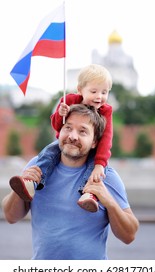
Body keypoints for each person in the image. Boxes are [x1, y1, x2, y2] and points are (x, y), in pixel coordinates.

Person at [2, 104, 139, 260]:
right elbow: (11, 216)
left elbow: (129, 235)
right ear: (59, 132)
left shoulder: (105, 176)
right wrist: (19, 189)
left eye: (82, 131)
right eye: (68, 128)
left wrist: (109, 202)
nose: (73, 136)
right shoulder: (37, 165)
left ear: (94, 141)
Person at [9, 64, 113, 212]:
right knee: (48, 153)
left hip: (91, 148)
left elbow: (106, 138)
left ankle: (89, 194)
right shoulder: (69, 100)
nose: (99, 97)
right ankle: (32, 182)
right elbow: (57, 126)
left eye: (104, 92)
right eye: (94, 91)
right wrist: (60, 114)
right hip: (62, 143)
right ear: (80, 90)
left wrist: (100, 164)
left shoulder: (106, 110)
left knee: (96, 169)